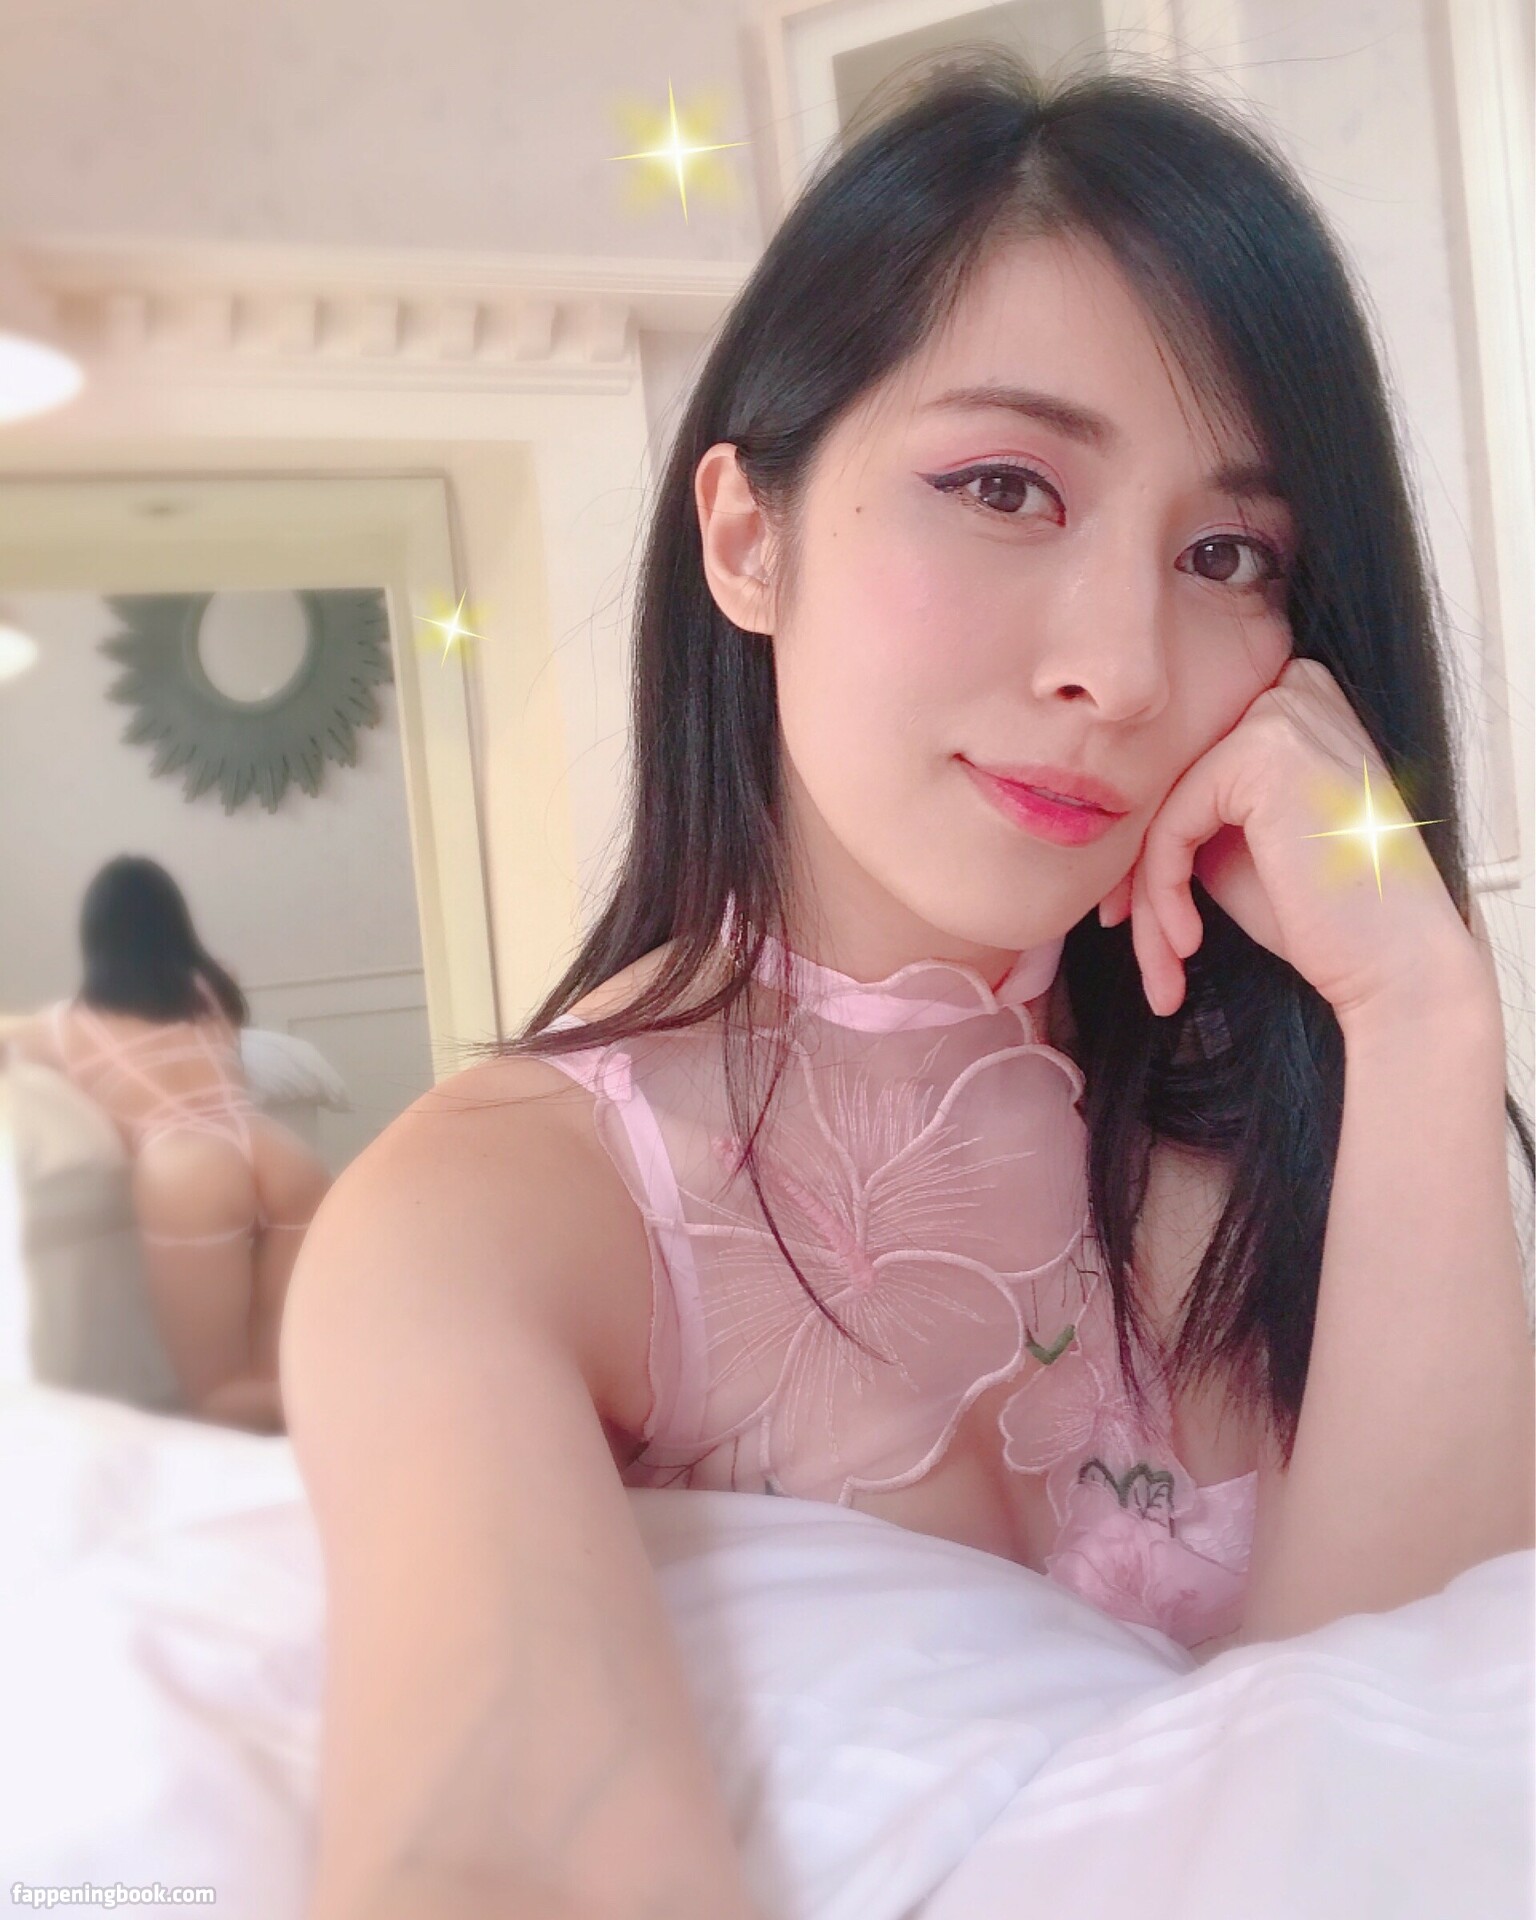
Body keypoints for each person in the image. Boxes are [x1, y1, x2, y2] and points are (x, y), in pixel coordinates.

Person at [280, 52, 1535, 1920]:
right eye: (1005, 486)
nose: (1122, 665)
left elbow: (1449, 1761)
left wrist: (1424, 1017)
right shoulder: (499, 1218)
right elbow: (493, 1868)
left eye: (1225, 554)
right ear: (747, 536)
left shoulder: (1309, 1110)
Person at [2, 854, 330, 1432]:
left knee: (216, 1395)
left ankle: (347, 1410)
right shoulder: (212, 987)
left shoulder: (63, 1025)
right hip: (277, 1151)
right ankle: (349, 1408)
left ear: (94, 937)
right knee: (282, 1365)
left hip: (187, 1165)